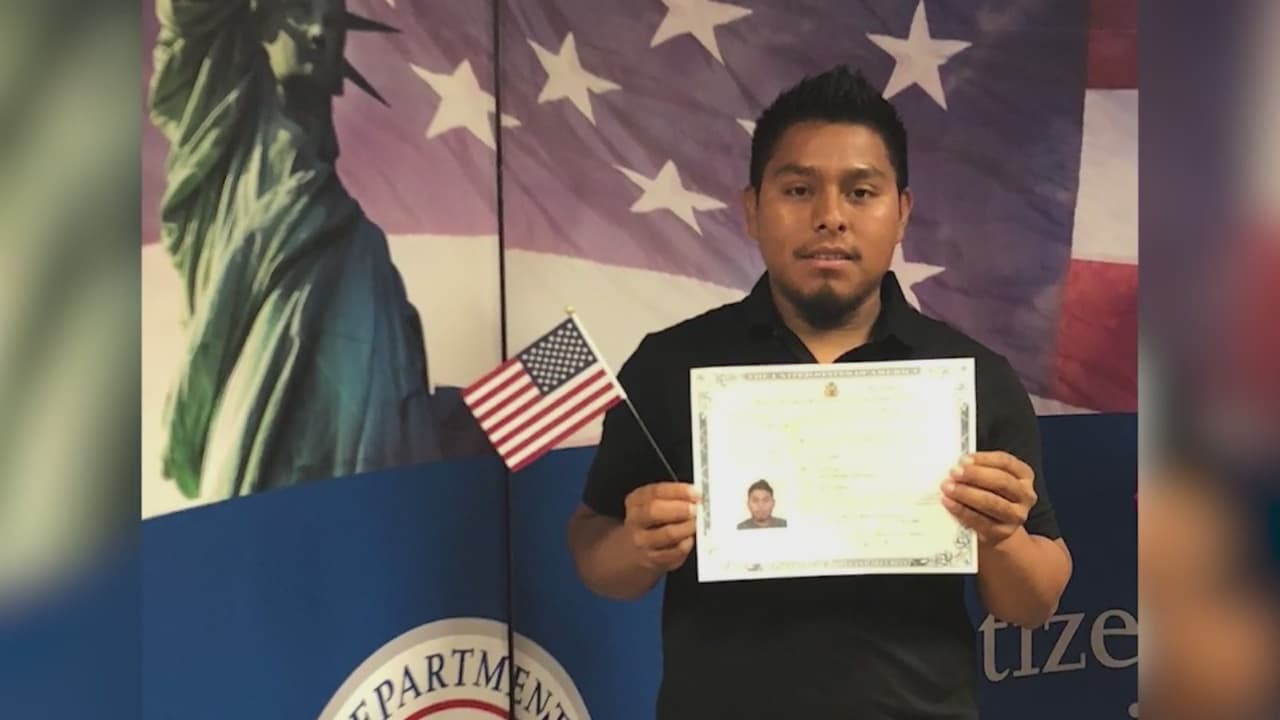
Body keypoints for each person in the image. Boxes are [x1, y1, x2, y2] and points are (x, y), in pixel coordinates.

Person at [565, 65, 1072, 718]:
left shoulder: (972, 378)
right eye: (799, 189)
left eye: (861, 192)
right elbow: (592, 545)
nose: (830, 217)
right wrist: (635, 547)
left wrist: (1001, 538)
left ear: (902, 212)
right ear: (752, 209)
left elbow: (1034, 603)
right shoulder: (670, 365)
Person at [148, 0, 443, 500]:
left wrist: (545, 381)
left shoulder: (363, 247)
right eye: (301, 10)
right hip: (256, 458)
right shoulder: (226, 144)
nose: (319, 32)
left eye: (333, 22)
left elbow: (406, 416)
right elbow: (187, 17)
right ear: (256, 22)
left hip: (360, 499)